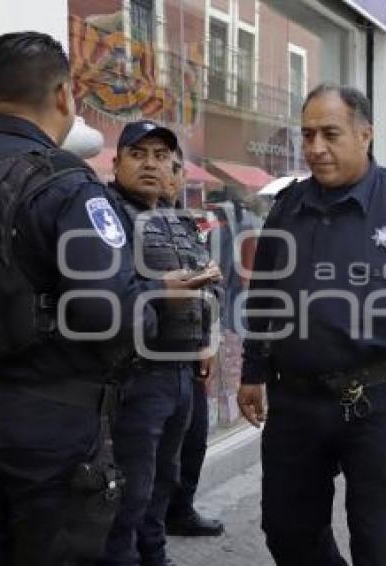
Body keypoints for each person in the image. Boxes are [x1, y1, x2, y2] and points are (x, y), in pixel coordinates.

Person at [0, 33, 209, 566]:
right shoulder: (67, 185)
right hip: (50, 420)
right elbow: (107, 312)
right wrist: (157, 292)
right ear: (63, 96)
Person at [236, 84, 386, 565]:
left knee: (382, 543)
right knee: (286, 531)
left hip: (380, 404)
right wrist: (252, 370)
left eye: (330, 134)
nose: (315, 148)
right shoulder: (288, 207)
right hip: (296, 403)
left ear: (365, 134)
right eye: (307, 136)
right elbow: (266, 296)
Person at [100, 121, 222, 566]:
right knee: (131, 488)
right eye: (138, 154)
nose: (150, 164)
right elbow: (102, 293)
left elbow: (208, 280)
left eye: (159, 155)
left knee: (163, 480)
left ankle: (154, 556)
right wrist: (164, 287)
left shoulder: (175, 219)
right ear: (117, 163)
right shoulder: (105, 214)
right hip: (134, 374)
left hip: (180, 369)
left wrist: (207, 335)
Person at [163, 147, 225, 538]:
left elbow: (211, 286)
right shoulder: (126, 218)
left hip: (190, 350)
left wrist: (209, 340)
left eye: (175, 169)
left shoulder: (184, 224)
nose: (169, 176)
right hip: (151, 356)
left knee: (194, 438)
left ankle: (180, 509)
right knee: (155, 453)